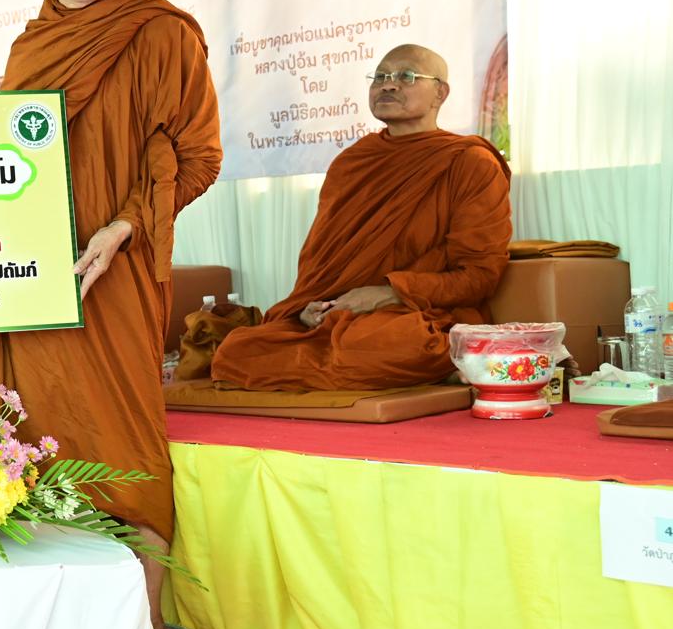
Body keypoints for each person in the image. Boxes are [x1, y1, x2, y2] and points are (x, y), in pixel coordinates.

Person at [0, 0, 222, 629]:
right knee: (23, 441)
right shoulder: (28, 49)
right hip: (27, 282)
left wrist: (124, 227)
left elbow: (198, 159)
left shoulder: (162, 33)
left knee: (123, 450)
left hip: (115, 278)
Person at [211, 44, 511, 391]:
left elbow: (479, 276)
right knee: (237, 351)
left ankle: (440, 359)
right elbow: (321, 262)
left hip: (418, 313)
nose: (388, 85)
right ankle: (426, 369)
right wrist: (309, 307)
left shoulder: (470, 162)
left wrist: (391, 293)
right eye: (380, 77)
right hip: (341, 312)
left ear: (440, 93)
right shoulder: (352, 163)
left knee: (377, 344)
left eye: (406, 76)